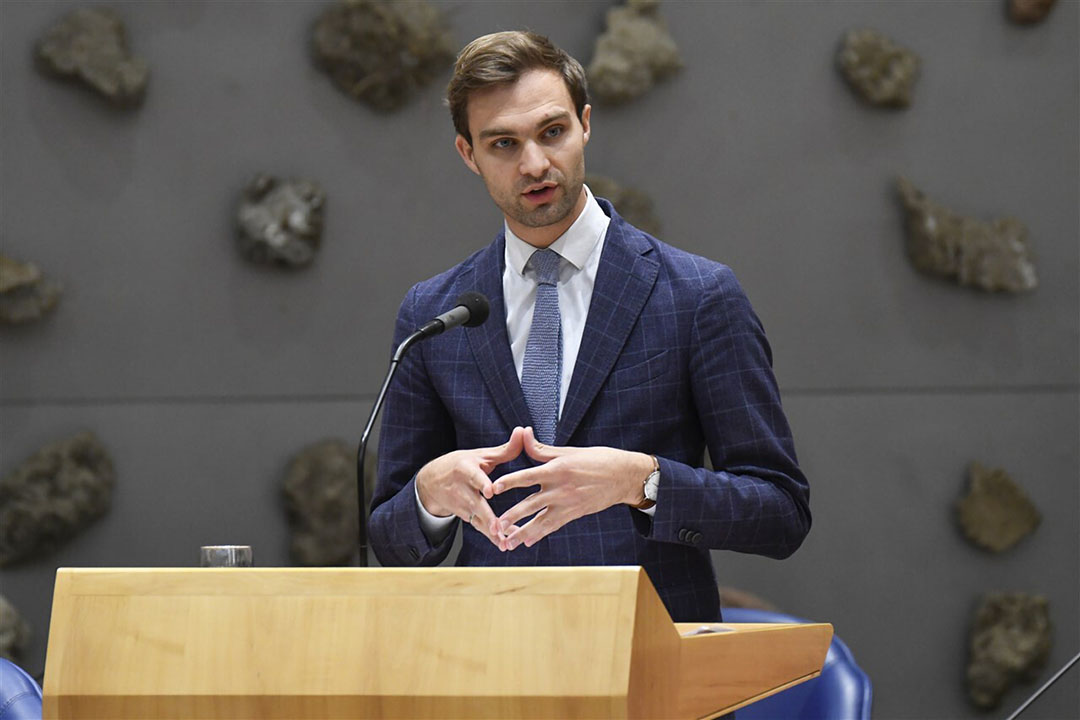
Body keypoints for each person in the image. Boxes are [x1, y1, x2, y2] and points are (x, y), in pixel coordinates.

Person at [368, 30, 810, 623]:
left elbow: (781, 512)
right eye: (503, 143)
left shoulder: (697, 296)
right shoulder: (433, 315)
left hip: (649, 675)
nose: (535, 164)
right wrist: (428, 496)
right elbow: (391, 543)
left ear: (585, 124)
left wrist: (642, 481)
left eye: (553, 132)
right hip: (496, 672)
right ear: (468, 154)